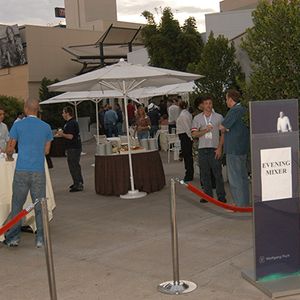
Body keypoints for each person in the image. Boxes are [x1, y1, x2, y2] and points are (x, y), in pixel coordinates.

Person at [4, 99, 53, 247]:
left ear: (25, 109)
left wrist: (10, 156)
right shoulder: (46, 127)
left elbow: (10, 148)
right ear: (37, 110)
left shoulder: (18, 125)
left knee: (17, 204)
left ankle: (13, 238)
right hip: (37, 170)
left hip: (21, 170)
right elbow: (46, 151)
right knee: (39, 205)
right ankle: (40, 239)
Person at [192, 96, 226, 203]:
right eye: (206, 103)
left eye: (210, 103)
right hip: (202, 149)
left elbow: (223, 133)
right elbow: (193, 134)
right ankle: (207, 196)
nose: (208, 106)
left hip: (215, 149)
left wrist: (220, 148)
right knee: (204, 174)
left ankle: (221, 196)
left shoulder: (219, 117)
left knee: (217, 174)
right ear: (202, 105)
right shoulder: (197, 118)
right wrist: (205, 131)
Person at [220, 89, 249, 207]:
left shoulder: (234, 110)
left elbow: (222, 126)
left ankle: (239, 204)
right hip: (243, 147)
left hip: (233, 148)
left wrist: (226, 128)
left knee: (235, 178)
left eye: (226, 99)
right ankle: (244, 201)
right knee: (243, 177)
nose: (226, 101)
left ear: (231, 99)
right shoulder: (244, 109)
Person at [57, 106, 84, 192]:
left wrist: (62, 134)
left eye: (63, 112)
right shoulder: (69, 123)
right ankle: (77, 182)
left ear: (67, 113)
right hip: (73, 147)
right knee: (74, 165)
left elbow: (71, 136)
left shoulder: (71, 123)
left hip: (73, 147)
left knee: (74, 166)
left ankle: (78, 184)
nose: (62, 114)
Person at [176, 101, 194, 182]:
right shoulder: (187, 114)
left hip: (185, 136)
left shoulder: (183, 115)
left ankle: (189, 174)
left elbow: (187, 127)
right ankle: (190, 173)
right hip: (185, 136)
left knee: (187, 156)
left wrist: (190, 137)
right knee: (188, 155)